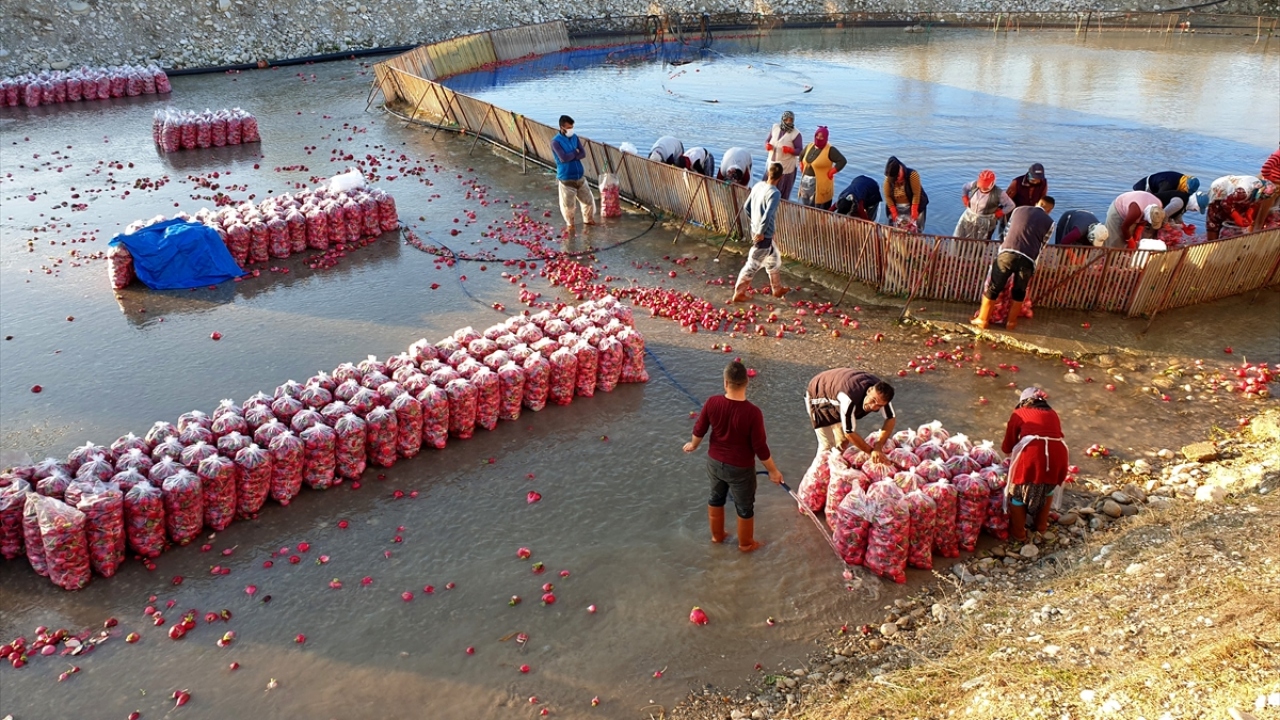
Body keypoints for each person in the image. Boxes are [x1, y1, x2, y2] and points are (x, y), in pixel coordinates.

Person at [683, 360, 783, 552]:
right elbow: (760, 447)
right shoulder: (753, 413)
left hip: (714, 462)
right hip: (740, 469)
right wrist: (773, 471)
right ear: (746, 382)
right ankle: (746, 544)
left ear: (725, 383)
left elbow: (699, 429)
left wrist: (693, 445)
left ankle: (717, 536)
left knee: (715, 498)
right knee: (745, 507)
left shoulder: (712, 402)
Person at [971, 197, 1056, 330]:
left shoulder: (1018, 210)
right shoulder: (1050, 222)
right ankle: (1011, 323)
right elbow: (1042, 244)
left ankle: (982, 320)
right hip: (1028, 259)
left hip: (1007, 253)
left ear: (1037, 202)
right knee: (1019, 292)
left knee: (994, 288)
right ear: (1049, 210)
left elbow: (1006, 232)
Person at [1000, 387, 1069, 542]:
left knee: (1017, 492)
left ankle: (1019, 533)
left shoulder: (1020, 413)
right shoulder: (1052, 414)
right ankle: (1041, 526)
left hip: (1034, 455)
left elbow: (1008, 445)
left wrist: (1009, 456)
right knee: (1048, 485)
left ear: (1023, 402)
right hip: (1059, 455)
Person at [803, 369, 896, 484]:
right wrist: (870, 451)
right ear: (869, 390)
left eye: (879, 406)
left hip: (837, 392)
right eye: (872, 401)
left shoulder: (882, 395)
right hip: (818, 394)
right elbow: (849, 432)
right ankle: (815, 480)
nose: (873, 407)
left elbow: (890, 418)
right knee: (826, 446)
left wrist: (878, 446)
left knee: (842, 442)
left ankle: (834, 473)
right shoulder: (850, 397)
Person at [731, 163, 788, 302]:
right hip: (763, 235)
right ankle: (739, 293)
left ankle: (777, 288)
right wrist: (761, 231)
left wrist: (754, 223)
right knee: (752, 264)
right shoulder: (774, 193)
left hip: (755, 230)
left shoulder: (758, 186)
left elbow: (746, 207)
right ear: (781, 177)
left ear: (768, 173)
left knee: (774, 258)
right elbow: (768, 215)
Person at [550, 115, 595, 230]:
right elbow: (563, 158)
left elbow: (583, 153)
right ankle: (570, 225)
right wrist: (575, 153)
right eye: (568, 127)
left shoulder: (575, 137)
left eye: (572, 127)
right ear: (562, 127)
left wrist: (572, 154)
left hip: (579, 176)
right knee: (568, 206)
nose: (571, 130)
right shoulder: (556, 142)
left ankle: (588, 220)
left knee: (588, 201)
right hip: (566, 178)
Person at [1205, 175, 1278, 241]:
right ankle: (1212, 243)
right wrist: (1236, 217)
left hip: (1234, 195)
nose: (1260, 199)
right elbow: (1225, 203)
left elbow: (1256, 202)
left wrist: (1249, 213)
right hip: (1219, 191)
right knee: (1214, 218)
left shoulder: (1259, 187)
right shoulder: (1242, 192)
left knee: (1237, 214)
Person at [954, 169, 1016, 240]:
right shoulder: (974, 184)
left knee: (981, 240)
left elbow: (1011, 205)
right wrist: (965, 197)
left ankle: (979, 250)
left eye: (985, 186)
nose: (982, 188)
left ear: (992, 183)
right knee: (963, 236)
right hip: (970, 217)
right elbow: (965, 187)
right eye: (981, 186)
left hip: (987, 221)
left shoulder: (999, 193)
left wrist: (999, 213)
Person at [796, 126, 847, 209]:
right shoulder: (810, 146)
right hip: (805, 182)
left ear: (826, 138)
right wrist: (801, 164)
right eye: (817, 136)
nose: (818, 138)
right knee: (807, 207)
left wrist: (832, 171)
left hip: (820, 184)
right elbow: (801, 155)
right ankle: (809, 221)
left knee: (817, 208)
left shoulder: (830, 150)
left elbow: (842, 161)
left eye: (821, 136)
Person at [1132, 171, 1203, 225]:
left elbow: (1176, 209)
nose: (1186, 192)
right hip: (1144, 189)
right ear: (1185, 184)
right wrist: (1167, 223)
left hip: (1155, 193)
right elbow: (1159, 201)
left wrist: (1179, 224)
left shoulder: (1183, 182)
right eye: (1187, 190)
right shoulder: (1168, 184)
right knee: (1143, 216)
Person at [883, 156, 929, 232]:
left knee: (915, 231)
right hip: (897, 207)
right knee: (894, 230)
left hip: (914, 204)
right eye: (894, 180)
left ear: (900, 169)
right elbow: (888, 197)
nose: (896, 181)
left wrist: (914, 210)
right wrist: (893, 212)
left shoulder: (912, 175)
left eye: (897, 177)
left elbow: (916, 194)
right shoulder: (888, 180)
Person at [764, 110, 803, 201]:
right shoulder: (775, 128)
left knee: (781, 191)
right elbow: (767, 140)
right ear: (782, 119)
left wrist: (791, 150)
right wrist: (767, 145)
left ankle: (780, 206)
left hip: (786, 167)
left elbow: (800, 150)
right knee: (767, 187)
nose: (788, 122)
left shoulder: (796, 134)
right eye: (786, 120)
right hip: (772, 164)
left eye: (791, 120)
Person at [1253, 148, 1280, 232]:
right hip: (1273, 183)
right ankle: (1257, 229)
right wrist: (1274, 180)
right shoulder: (1278, 154)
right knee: (1263, 210)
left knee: (1273, 208)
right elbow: (1265, 168)